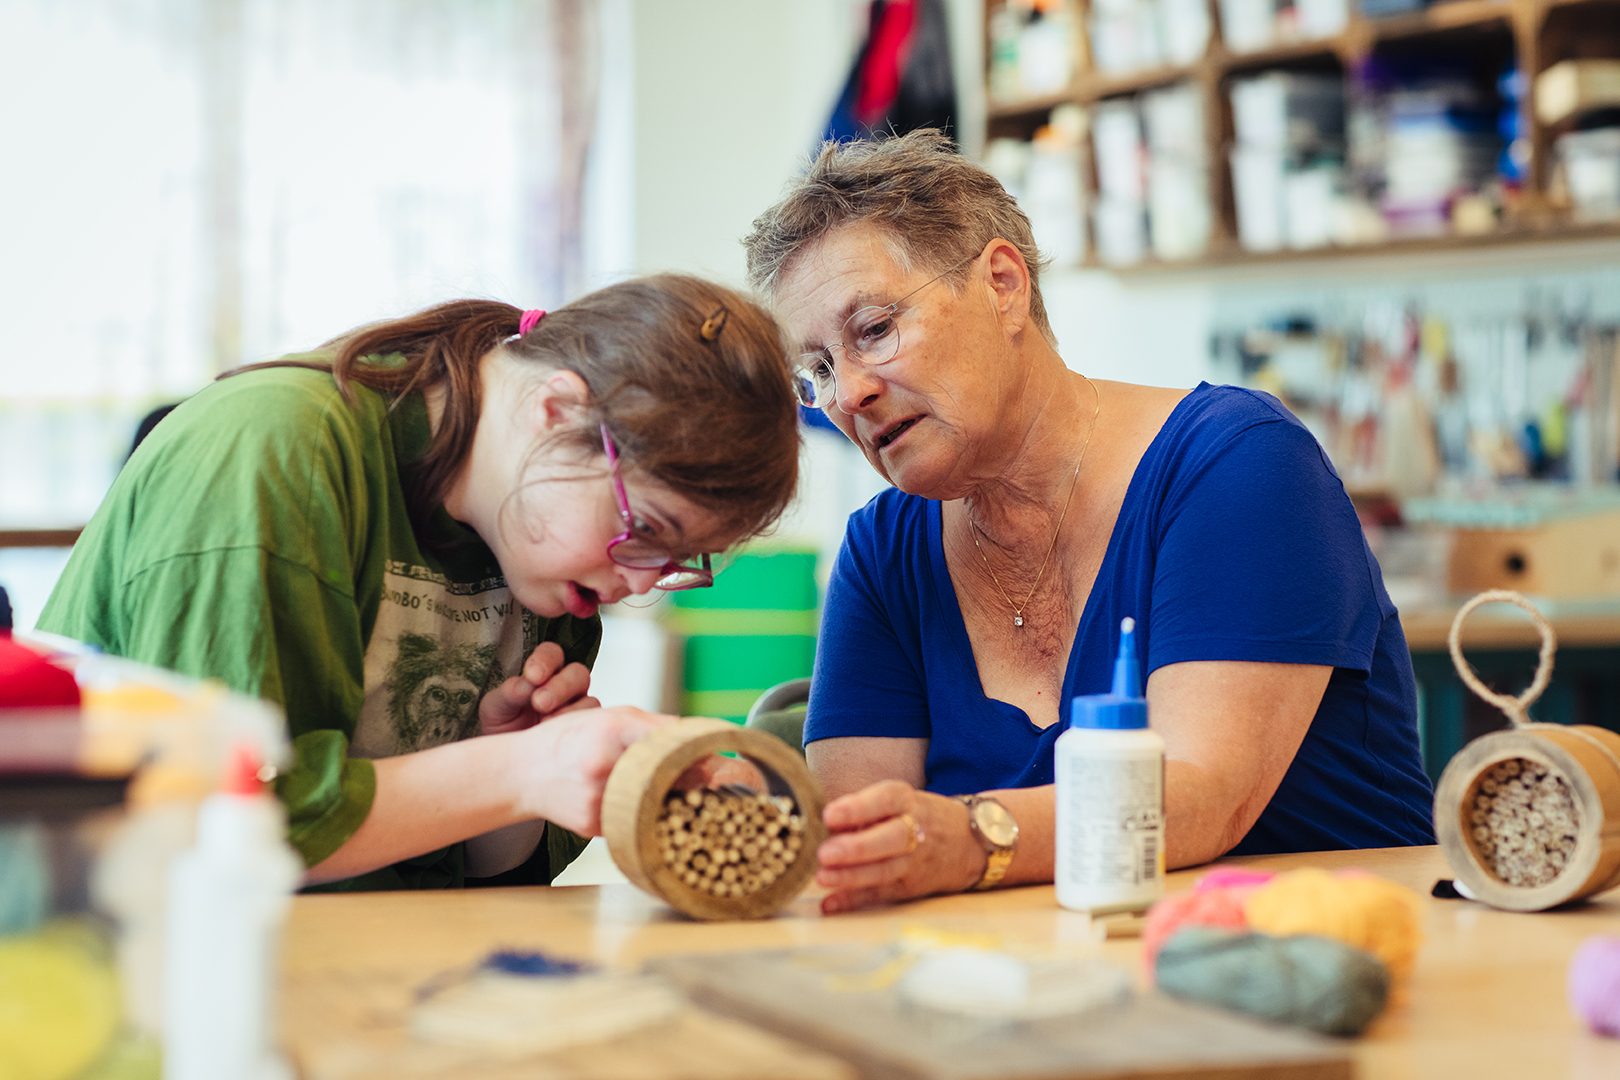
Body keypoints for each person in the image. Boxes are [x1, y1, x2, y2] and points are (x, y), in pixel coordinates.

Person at [743, 130, 1435, 915]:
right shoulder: (884, 553)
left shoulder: (1237, 465)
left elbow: (1199, 800)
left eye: (873, 330)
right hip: (1034, 993)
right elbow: (857, 850)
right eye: (820, 371)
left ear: (1003, 285)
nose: (847, 396)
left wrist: (968, 838)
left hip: (1318, 974)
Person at [39, 277, 799, 890]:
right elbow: (212, 823)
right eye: (648, 529)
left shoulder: (550, 563)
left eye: (679, 561)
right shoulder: (273, 452)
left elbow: (471, 881)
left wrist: (507, 779)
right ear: (558, 411)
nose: (640, 583)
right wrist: (519, 770)